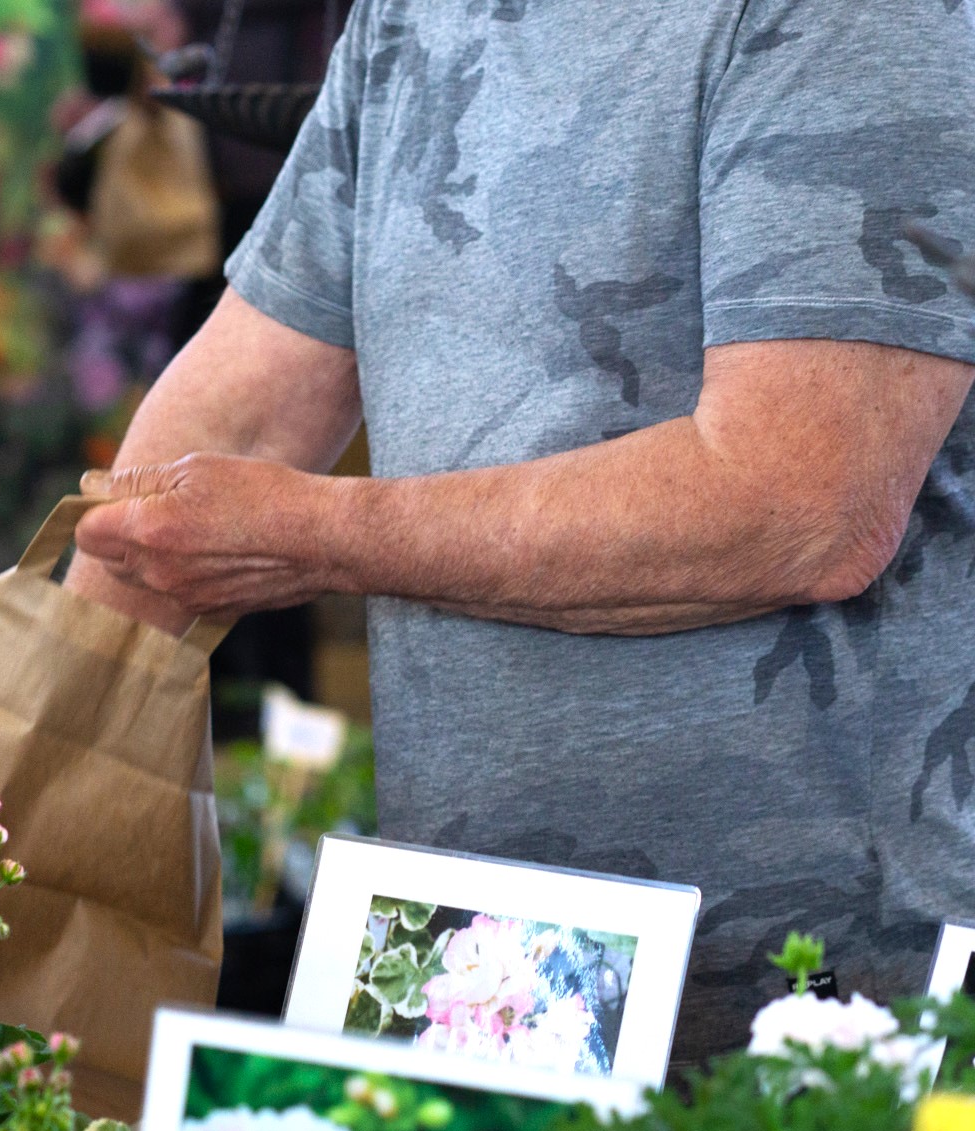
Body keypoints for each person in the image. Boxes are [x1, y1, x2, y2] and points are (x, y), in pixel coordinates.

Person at [68, 0, 975, 1067]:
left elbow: (800, 507)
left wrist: (317, 537)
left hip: (814, 973)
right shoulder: (407, 16)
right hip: (470, 956)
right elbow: (236, 412)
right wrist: (16, 739)